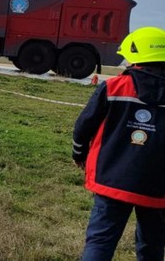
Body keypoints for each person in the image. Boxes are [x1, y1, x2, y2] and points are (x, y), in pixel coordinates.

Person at [72, 26, 165, 260]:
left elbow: (83, 126)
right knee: (152, 245)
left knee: (100, 242)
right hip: (158, 185)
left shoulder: (114, 87)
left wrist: (79, 154)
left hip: (111, 178)